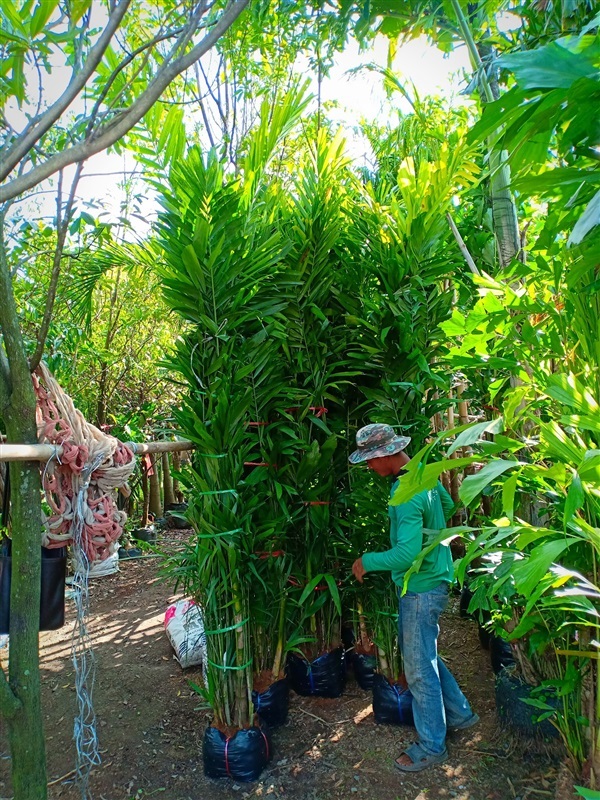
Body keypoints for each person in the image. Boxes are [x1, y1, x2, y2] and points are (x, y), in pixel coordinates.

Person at [349, 423, 478, 773]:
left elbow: (406, 554)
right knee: (426, 655)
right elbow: (448, 505)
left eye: (370, 461)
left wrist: (367, 561)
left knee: (418, 668)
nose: (369, 468)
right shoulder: (423, 473)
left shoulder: (404, 495)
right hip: (437, 578)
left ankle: (432, 745)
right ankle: (460, 713)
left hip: (419, 588)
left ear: (386, 455)